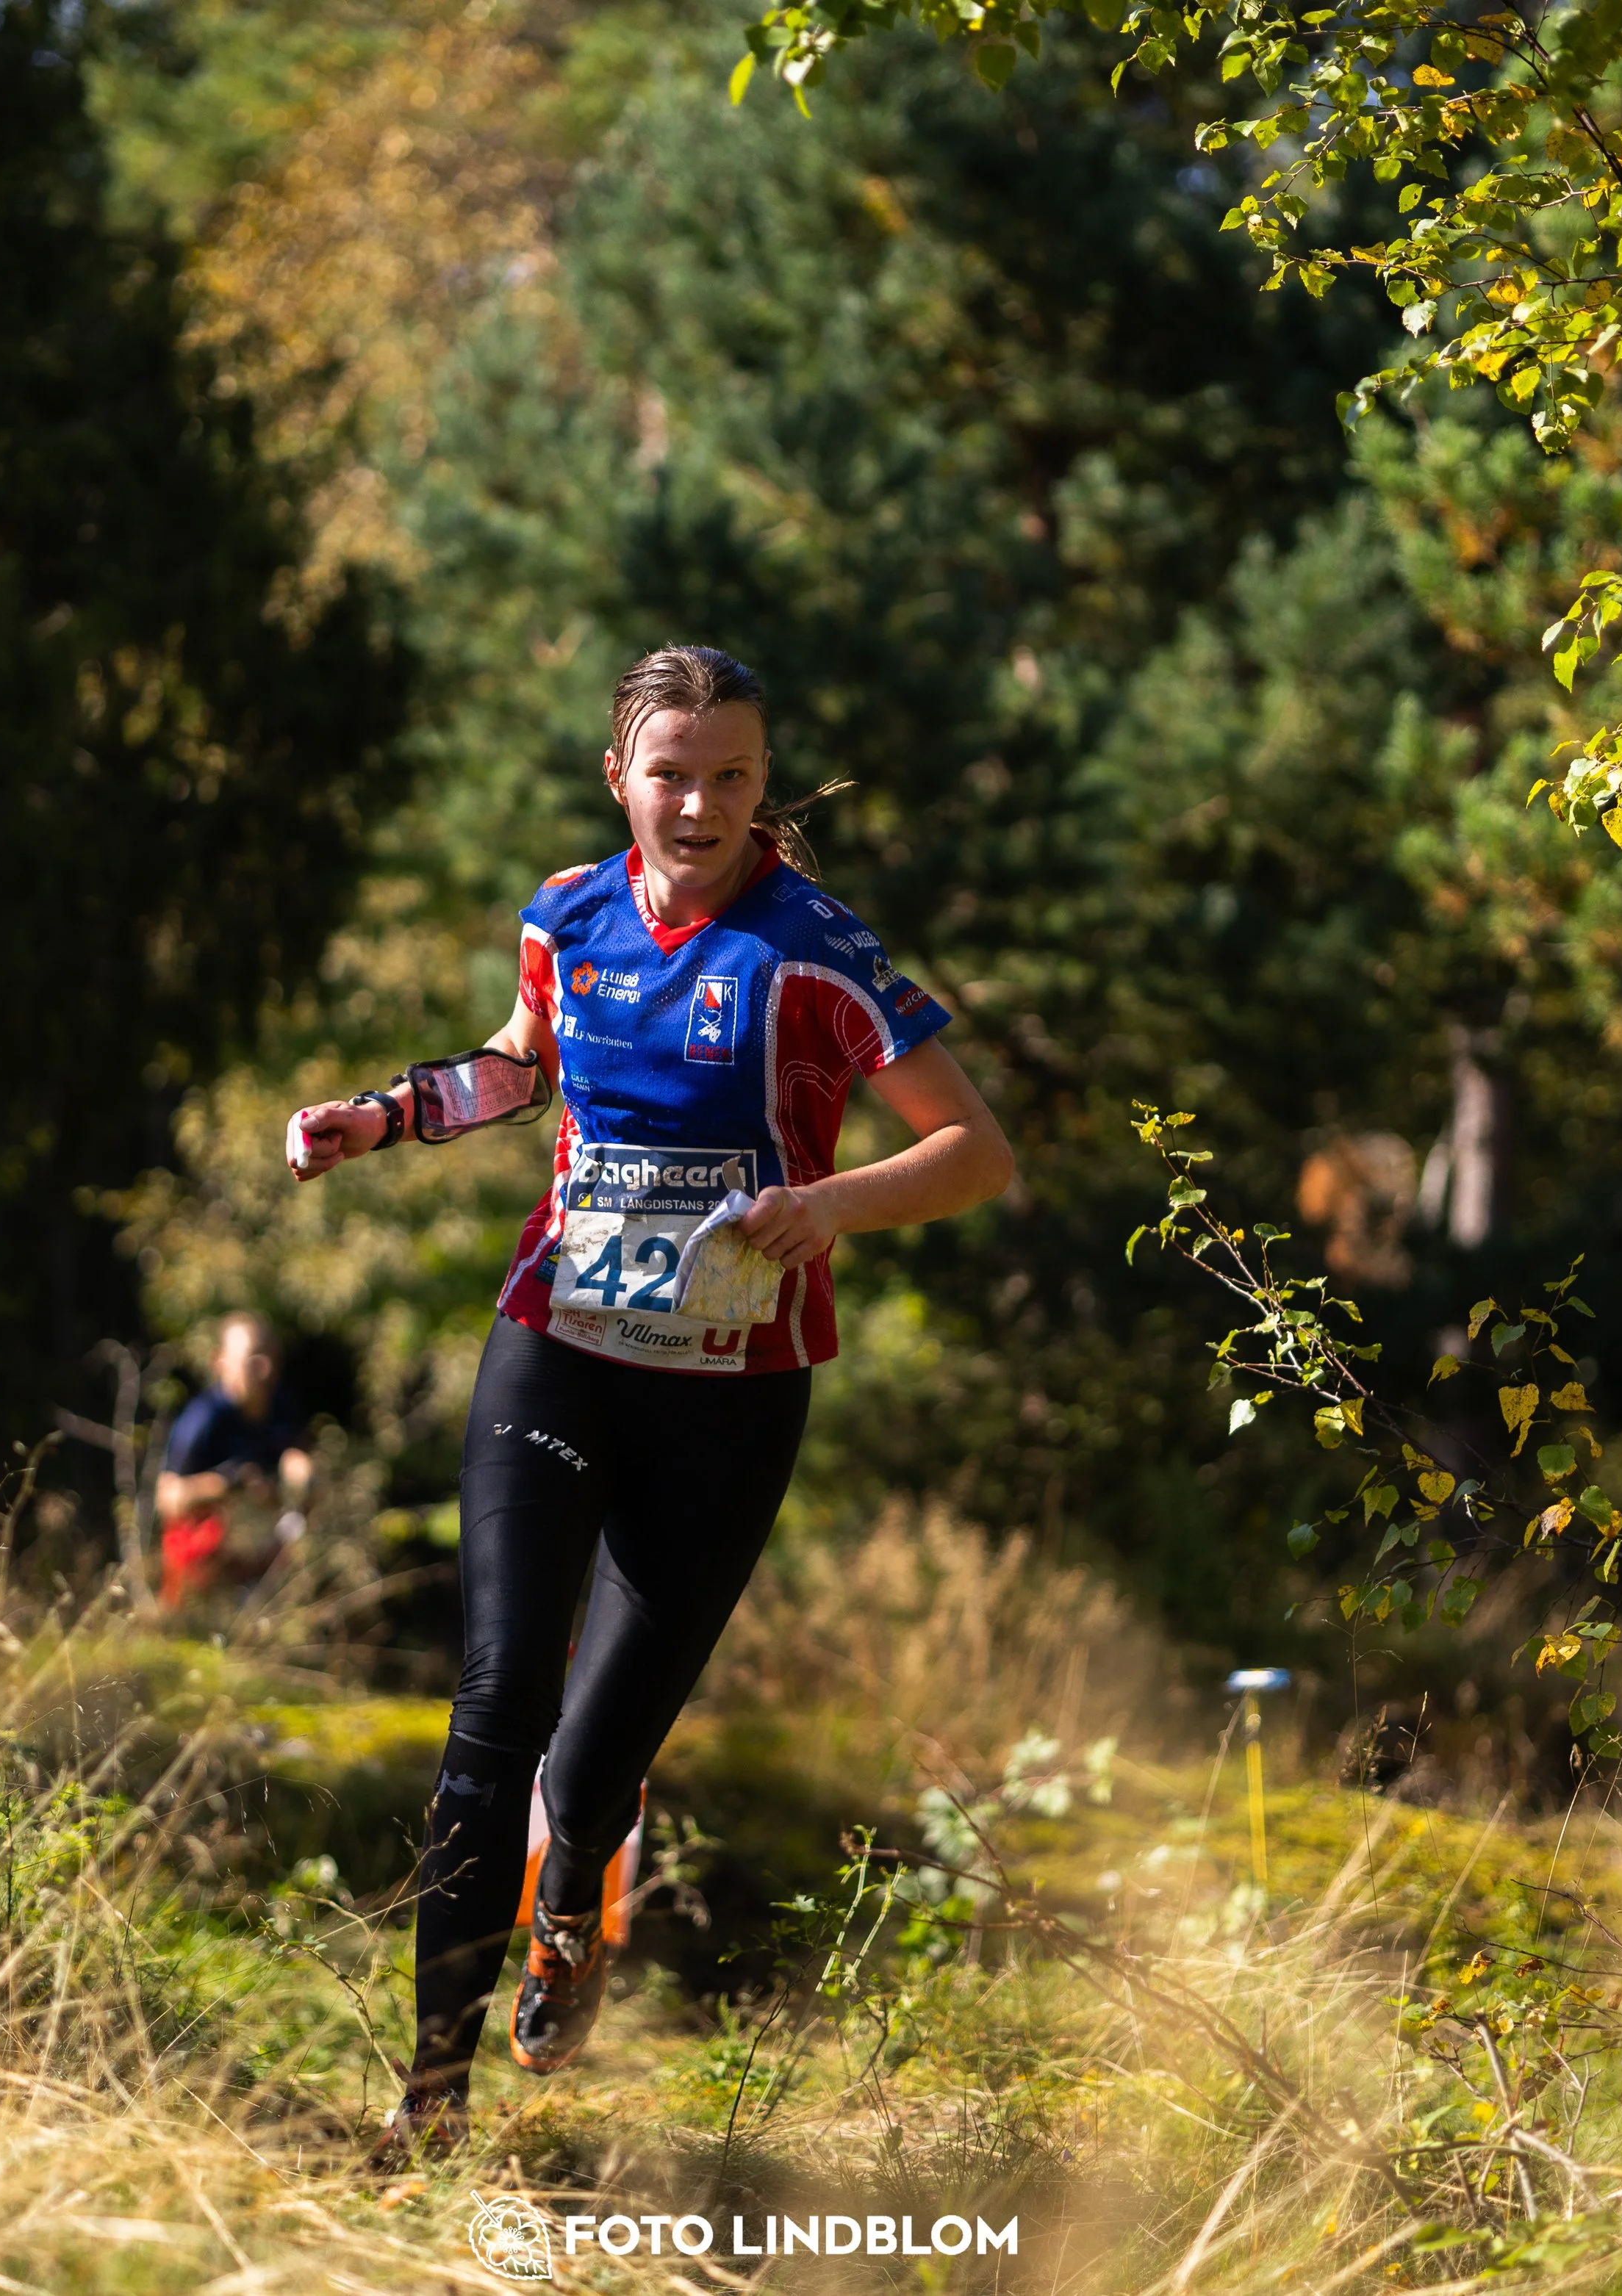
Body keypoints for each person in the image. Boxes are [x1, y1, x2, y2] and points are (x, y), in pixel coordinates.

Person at [289, 645, 1013, 2159]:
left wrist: (826, 1205)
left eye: (732, 774)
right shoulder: (564, 909)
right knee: (493, 1712)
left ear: (765, 787)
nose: (699, 801)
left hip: (729, 1393)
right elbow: (517, 1064)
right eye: (669, 770)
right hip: (554, 1338)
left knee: (593, 1759)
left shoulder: (812, 949)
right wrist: (386, 1113)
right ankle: (427, 2101)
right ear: (618, 774)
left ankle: (571, 1901)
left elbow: (971, 1151)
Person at [155, 1311, 312, 1608]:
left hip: (263, 1556)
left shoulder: (283, 1406)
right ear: (221, 1361)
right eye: (253, 1359)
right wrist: (227, 1485)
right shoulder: (202, 1420)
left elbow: (297, 1458)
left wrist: (302, 1475)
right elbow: (167, 1500)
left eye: (270, 1358)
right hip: (204, 1565)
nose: (265, 1370)